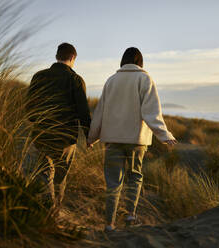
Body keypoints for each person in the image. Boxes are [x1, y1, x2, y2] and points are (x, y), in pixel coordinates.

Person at [87, 47, 177, 231]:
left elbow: (100, 112)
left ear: (123, 61)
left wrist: (92, 137)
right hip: (137, 140)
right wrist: (164, 135)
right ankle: (130, 217)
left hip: (112, 140)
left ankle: (109, 224)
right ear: (140, 62)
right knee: (134, 177)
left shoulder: (111, 81)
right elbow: (151, 112)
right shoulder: (145, 79)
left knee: (113, 182)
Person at [27, 43, 91, 207]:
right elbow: (83, 112)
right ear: (72, 58)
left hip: (42, 135)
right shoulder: (76, 80)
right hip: (66, 139)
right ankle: (55, 212)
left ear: (57, 56)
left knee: (45, 173)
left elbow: (29, 108)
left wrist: (38, 122)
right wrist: (90, 136)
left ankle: (46, 210)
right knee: (59, 178)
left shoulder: (38, 77)